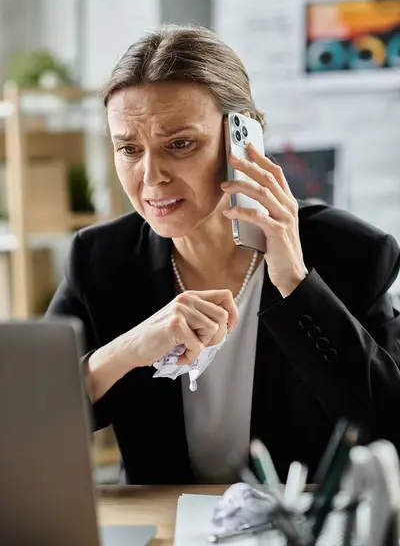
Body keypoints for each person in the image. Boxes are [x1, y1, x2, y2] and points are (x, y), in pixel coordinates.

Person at [47, 25, 400, 485]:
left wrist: (297, 285)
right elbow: (30, 416)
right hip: (167, 528)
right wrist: (128, 350)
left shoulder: (350, 251)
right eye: (129, 149)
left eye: (179, 144)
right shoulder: (99, 260)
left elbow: (390, 427)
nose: (151, 176)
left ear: (242, 140)